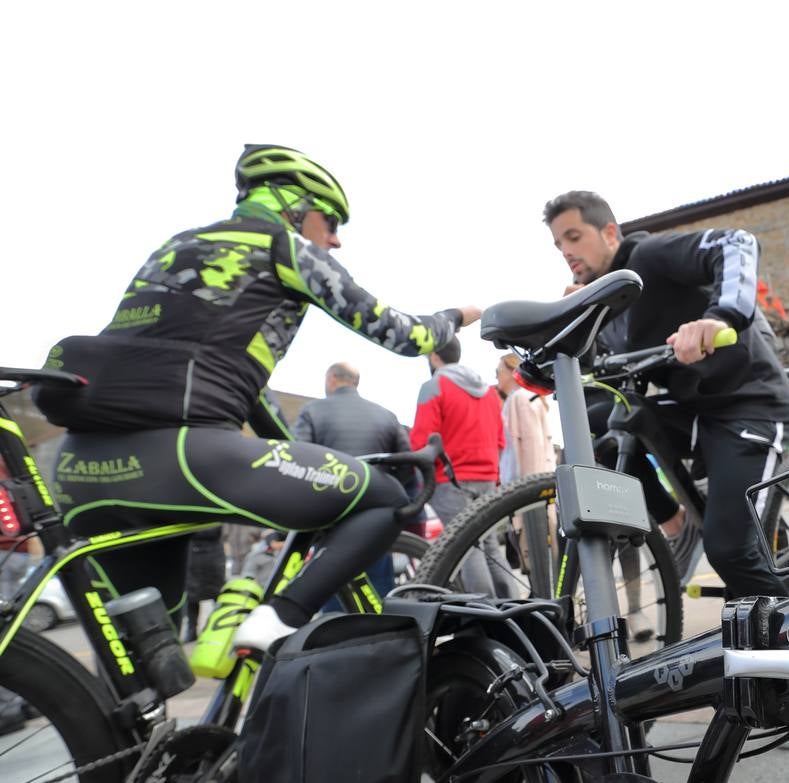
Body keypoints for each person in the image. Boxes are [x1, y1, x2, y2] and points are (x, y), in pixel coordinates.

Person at [33, 144, 479, 654]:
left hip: (80, 469)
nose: (333, 239)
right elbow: (406, 336)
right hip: (181, 458)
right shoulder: (282, 246)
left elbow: (247, 395)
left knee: (148, 664)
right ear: (292, 204)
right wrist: (458, 315)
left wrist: (300, 459)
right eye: (330, 221)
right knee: (385, 498)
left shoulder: (176, 246)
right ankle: (277, 621)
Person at [544, 191, 789, 601]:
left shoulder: (649, 256)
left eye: (574, 237)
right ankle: (677, 525)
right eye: (559, 244)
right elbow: (605, 374)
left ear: (609, 232)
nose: (566, 252)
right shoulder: (604, 303)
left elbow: (737, 243)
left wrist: (719, 318)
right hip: (692, 413)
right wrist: (573, 327)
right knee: (600, 418)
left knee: (730, 551)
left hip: (750, 407)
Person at [294, 360, 413, 598]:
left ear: (331, 379)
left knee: (332, 588)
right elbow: (408, 465)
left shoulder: (312, 411)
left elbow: (298, 460)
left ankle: (335, 629)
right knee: (379, 590)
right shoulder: (386, 415)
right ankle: (386, 632)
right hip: (377, 514)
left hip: (330, 513)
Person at [410, 335, 507, 596]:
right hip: (487, 478)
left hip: (451, 481)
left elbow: (422, 440)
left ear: (433, 356)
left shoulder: (434, 386)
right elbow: (500, 438)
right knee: (489, 546)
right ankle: (514, 608)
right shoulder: (488, 392)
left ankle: (485, 615)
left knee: (466, 548)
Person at [497, 352, 556, 482]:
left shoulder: (522, 397)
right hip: (523, 482)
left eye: (498, 371)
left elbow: (532, 443)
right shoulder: (523, 397)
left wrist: (530, 485)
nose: (497, 377)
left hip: (526, 484)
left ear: (512, 371)